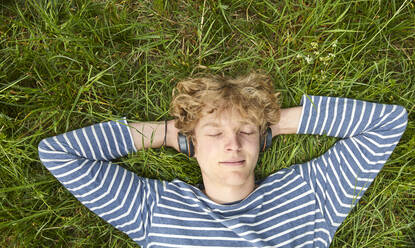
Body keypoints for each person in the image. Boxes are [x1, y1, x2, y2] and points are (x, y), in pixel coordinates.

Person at [38, 71, 408, 247]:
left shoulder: (307, 197)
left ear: (261, 142)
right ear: (192, 144)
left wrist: (273, 124)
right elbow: (59, 153)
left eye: (245, 132)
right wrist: (169, 133)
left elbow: (388, 122)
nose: (233, 144)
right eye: (214, 133)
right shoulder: (157, 210)